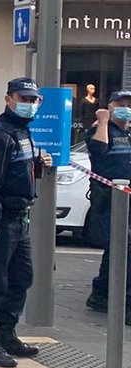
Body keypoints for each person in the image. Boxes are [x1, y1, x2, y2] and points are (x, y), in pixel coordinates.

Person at [0, 77, 52, 368]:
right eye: (23, 98)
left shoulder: (21, 132)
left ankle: (7, 333)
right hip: (1, 219)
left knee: (20, 278)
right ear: (8, 99)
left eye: (33, 100)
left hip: (20, 216)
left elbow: (19, 171)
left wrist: (39, 166)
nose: (29, 104)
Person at [84, 90, 131, 322]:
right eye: (120, 104)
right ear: (110, 107)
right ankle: (124, 299)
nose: (125, 108)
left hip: (128, 199)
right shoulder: (101, 129)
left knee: (117, 248)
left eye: (128, 105)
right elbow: (98, 152)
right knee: (122, 246)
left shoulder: (129, 131)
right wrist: (103, 121)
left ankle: (100, 293)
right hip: (108, 198)